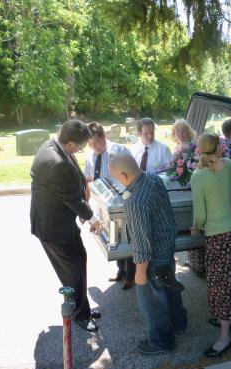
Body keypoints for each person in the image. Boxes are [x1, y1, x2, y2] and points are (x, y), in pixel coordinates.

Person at [108, 154, 187, 355]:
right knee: (170, 286)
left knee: (152, 298)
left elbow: (142, 242)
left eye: (117, 178)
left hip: (153, 254)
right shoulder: (152, 179)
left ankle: (162, 341)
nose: (118, 182)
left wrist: (140, 272)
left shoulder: (136, 202)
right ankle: (179, 323)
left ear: (125, 174)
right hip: (167, 245)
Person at [30, 120, 102, 333]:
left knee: (77, 263)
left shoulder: (57, 146)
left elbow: (74, 182)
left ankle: (80, 306)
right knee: (74, 269)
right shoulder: (56, 162)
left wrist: (82, 202)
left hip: (61, 222)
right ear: (70, 143)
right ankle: (80, 314)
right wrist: (91, 218)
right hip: (53, 227)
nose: (81, 150)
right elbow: (71, 198)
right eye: (80, 147)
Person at [190, 134, 231, 358]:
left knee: (221, 286)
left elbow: (200, 214)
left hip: (217, 238)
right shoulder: (228, 165)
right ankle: (230, 321)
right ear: (218, 146)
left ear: (199, 150)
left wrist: (196, 227)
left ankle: (225, 338)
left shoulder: (198, 176)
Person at [84, 122, 135, 290]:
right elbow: (89, 180)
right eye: (90, 143)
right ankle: (121, 270)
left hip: (122, 201)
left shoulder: (118, 151)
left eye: (96, 142)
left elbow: (133, 174)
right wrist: (86, 205)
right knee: (114, 238)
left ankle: (131, 274)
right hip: (104, 205)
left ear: (104, 137)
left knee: (126, 238)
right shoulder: (91, 157)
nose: (94, 146)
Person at [170, 118, 205, 277]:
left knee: (195, 220)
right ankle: (194, 263)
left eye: (184, 131)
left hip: (194, 187)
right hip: (182, 188)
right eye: (178, 131)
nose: (181, 134)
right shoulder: (176, 147)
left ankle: (201, 264)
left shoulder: (194, 147)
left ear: (189, 131)